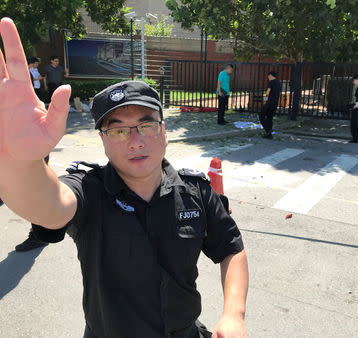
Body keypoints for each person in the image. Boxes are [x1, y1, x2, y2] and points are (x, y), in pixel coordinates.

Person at [0, 18, 249, 338]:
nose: (135, 140)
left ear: (164, 132)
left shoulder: (196, 192)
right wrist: (20, 162)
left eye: (145, 125)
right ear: (102, 140)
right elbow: (49, 205)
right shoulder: (90, 191)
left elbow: (231, 248)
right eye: (118, 130)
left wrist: (233, 314)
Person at [259, 71, 281, 139]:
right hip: (275, 103)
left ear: (270, 75)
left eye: (268, 76)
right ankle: (269, 133)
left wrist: (265, 101)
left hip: (269, 103)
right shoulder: (278, 83)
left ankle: (268, 130)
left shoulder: (271, 82)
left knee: (261, 116)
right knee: (270, 117)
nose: (268, 78)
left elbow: (267, 92)